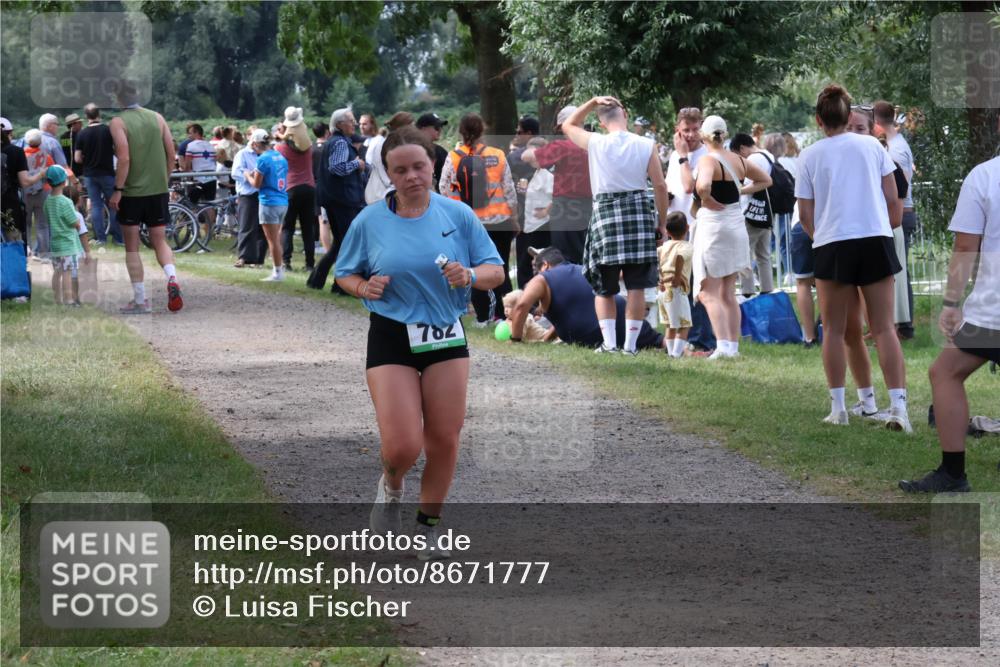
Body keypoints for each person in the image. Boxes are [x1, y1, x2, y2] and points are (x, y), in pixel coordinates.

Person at [334, 127, 504, 560]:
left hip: (445, 333)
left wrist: (469, 275)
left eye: (419, 167)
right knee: (403, 446)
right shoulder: (370, 220)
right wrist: (362, 288)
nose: (412, 176)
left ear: (433, 166)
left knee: (444, 438)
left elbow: (496, 272)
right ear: (387, 173)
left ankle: (428, 528)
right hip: (391, 334)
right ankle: (391, 487)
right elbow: (344, 272)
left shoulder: (457, 215)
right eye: (401, 169)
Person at [795, 84, 909, 431]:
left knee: (833, 330)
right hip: (874, 238)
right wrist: (882, 225)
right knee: (884, 327)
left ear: (819, 120)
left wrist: (822, 237)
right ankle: (899, 408)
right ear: (849, 117)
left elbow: (805, 213)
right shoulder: (872, 147)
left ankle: (839, 408)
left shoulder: (809, 156)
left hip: (833, 244)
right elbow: (893, 198)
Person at [900, 152, 1000, 493]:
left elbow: (966, 246)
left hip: (994, 312)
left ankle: (952, 474)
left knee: (945, 373)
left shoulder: (985, 176)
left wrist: (951, 303)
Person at [561, 96, 669, 356]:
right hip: (639, 214)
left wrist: (592, 101)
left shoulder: (596, 142)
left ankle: (610, 344)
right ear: (626, 115)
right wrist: (662, 223)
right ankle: (630, 347)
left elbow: (568, 124)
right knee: (636, 286)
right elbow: (660, 185)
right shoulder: (646, 144)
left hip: (606, 216)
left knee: (604, 286)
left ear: (599, 121)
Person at [691, 116, 770, 359]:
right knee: (727, 291)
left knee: (708, 292)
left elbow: (703, 186)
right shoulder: (738, 159)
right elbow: (766, 180)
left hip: (715, 227)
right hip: (736, 224)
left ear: (703, 136)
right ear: (724, 135)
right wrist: (742, 190)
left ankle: (723, 346)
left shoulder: (707, 159)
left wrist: (706, 199)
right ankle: (732, 347)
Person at [108, 83, 183, 314]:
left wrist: (118, 189)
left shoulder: (118, 122)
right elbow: (172, 155)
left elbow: (124, 158)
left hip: (131, 193)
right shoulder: (157, 118)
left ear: (118, 100)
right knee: (160, 240)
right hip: (157, 191)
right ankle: (172, 277)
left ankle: (140, 300)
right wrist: (164, 179)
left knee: (132, 248)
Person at [440, 112, 519, 325]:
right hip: (499, 221)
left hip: (468, 223)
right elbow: (509, 191)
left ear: (461, 132)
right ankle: (505, 315)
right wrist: (515, 218)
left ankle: (483, 317)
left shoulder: (453, 157)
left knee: (474, 269)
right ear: (482, 130)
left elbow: (444, 188)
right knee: (499, 268)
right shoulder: (498, 155)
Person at [507, 247, 665, 350]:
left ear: (546, 265)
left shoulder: (542, 279)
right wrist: (546, 339)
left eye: (536, 267)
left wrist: (515, 340)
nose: (535, 272)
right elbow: (573, 308)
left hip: (593, 335)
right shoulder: (583, 269)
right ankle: (682, 348)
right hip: (625, 318)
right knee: (658, 340)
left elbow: (521, 306)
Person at [521, 106, 592, 265]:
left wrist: (531, 150)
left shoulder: (562, 146)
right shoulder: (594, 143)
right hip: (590, 206)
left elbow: (527, 156)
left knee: (565, 256)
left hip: (566, 208)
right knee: (585, 253)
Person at [311, 106, 368, 293]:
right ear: (340, 124)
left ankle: (317, 279)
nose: (354, 124)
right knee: (348, 243)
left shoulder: (334, 141)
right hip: (343, 200)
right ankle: (341, 285)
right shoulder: (341, 143)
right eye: (351, 121)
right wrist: (357, 163)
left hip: (335, 199)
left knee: (340, 243)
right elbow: (337, 168)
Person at [874, 100, 917, 339]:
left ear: (878, 125)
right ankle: (900, 325)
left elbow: (900, 187)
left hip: (901, 214)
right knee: (898, 271)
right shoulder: (894, 144)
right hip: (899, 213)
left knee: (899, 272)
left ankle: (904, 326)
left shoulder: (896, 149)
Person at [729, 132, 776, 297]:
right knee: (764, 255)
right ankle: (767, 291)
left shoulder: (753, 160)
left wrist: (738, 191)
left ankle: (747, 292)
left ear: (742, 148)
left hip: (751, 214)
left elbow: (753, 185)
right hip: (766, 213)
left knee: (745, 253)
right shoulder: (768, 156)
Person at [74, 103, 122, 245]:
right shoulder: (107, 131)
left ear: (86, 116)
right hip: (107, 173)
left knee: (96, 205)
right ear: (99, 114)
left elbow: (77, 158)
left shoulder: (82, 134)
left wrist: (87, 159)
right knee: (113, 204)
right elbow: (117, 150)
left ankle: (101, 238)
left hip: (89, 174)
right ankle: (118, 238)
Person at [275, 106, 316, 272]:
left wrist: (279, 136)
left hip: (290, 188)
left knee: (288, 227)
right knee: (308, 228)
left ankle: (286, 261)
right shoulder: (308, 147)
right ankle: (310, 263)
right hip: (309, 187)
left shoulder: (280, 148)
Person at [246, 131, 289, 282]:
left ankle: (277, 273)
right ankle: (279, 267)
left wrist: (247, 175)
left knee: (272, 240)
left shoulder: (263, 159)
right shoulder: (280, 156)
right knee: (276, 238)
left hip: (269, 202)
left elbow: (256, 184)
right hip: (283, 200)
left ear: (257, 144)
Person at [1, 118, 46, 252]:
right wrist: (41, 174)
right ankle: (15, 269)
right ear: (10, 133)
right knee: (14, 240)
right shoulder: (16, 151)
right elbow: (25, 182)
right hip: (8, 204)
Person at [508, 116, 542, 289]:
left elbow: (508, 188)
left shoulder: (514, 157)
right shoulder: (551, 152)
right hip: (548, 216)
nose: (516, 135)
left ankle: (526, 300)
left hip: (523, 216)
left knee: (524, 260)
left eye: (519, 132)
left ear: (529, 133)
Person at [42, 166, 82, 305]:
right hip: (67, 244)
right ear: (64, 182)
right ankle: (69, 300)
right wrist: (78, 223)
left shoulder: (47, 201)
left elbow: (48, 218)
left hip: (55, 244)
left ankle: (57, 299)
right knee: (67, 272)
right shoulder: (66, 202)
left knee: (57, 272)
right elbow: (74, 222)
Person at [518, 137, 554, 288]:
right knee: (526, 265)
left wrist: (546, 211)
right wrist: (525, 192)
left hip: (541, 227)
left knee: (532, 265)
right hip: (530, 225)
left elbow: (556, 196)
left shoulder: (547, 174)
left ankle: (531, 297)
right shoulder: (537, 172)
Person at [665, 107, 708, 232]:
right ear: (677, 130)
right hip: (674, 225)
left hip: (696, 225)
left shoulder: (708, 155)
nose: (691, 135)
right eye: (686, 130)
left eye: (696, 129)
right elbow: (670, 187)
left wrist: (684, 157)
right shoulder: (674, 155)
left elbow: (689, 188)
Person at [657, 212, 694, 358]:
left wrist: (660, 278)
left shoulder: (663, 247)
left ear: (666, 230)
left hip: (663, 288)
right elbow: (680, 257)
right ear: (687, 228)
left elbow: (659, 260)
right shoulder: (686, 246)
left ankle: (671, 353)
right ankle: (676, 355)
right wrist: (678, 276)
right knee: (685, 324)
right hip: (677, 289)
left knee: (670, 324)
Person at [231, 130, 267, 268]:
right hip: (247, 194)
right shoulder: (242, 154)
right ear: (254, 142)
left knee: (262, 227)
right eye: (261, 143)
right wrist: (250, 176)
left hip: (263, 193)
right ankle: (244, 257)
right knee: (246, 226)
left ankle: (258, 259)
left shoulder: (264, 154)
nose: (263, 146)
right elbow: (235, 173)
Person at [365, 112, 414, 204]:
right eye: (411, 126)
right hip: (383, 195)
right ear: (402, 127)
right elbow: (383, 174)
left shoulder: (397, 144)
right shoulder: (384, 144)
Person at [22, 129, 56, 258]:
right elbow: (52, 173)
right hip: (43, 192)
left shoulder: (22, 155)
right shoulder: (46, 156)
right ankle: (44, 254)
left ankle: (26, 251)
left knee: (26, 224)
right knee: (42, 224)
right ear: (40, 142)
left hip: (25, 192)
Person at [415, 113, 449, 192]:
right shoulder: (407, 151)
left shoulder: (440, 151)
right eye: (436, 127)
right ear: (423, 129)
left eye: (441, 127)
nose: (440, 130)